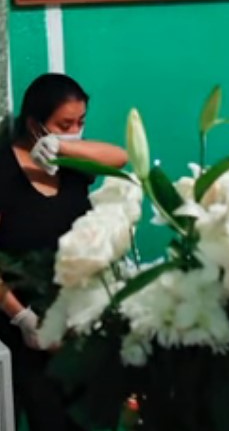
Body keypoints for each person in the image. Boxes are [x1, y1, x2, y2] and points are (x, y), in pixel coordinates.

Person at [0, 73, 128, 431]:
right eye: (64, 125)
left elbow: (120, 156)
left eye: (80, 123)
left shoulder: (71, 164)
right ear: (34, 125)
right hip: (24, 324)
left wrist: (65, 147)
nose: (74, 131)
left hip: (78, 325)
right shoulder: (5, 171)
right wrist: (23, 319)